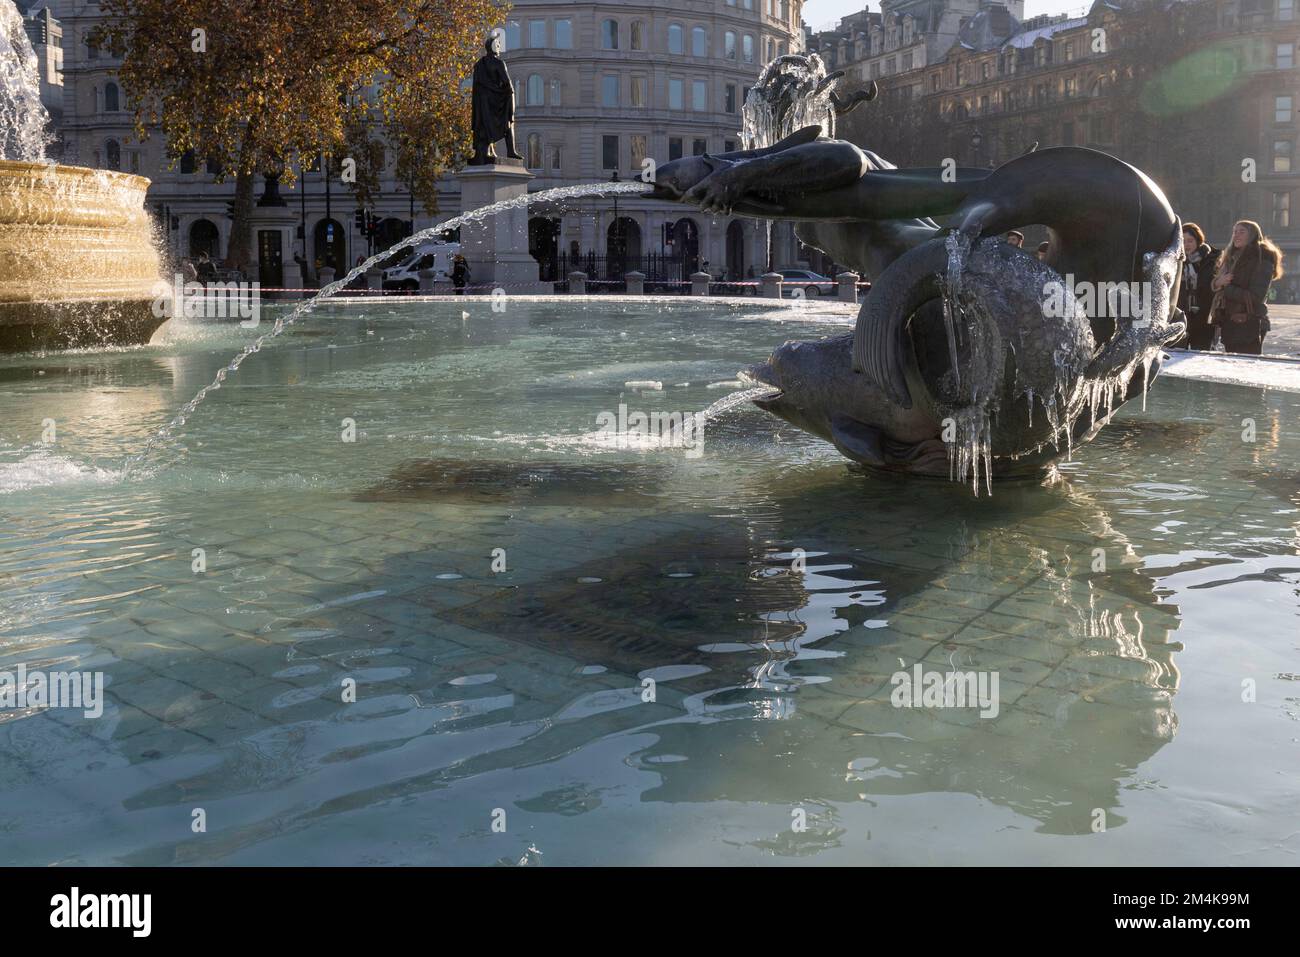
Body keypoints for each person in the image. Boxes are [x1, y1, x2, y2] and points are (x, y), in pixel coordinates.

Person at [1210, 219, 1282, 355]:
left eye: (1241, 232)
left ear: (1253, 235)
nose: (1236, 235)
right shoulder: (1231, 257)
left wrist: (1226, 289)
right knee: (1232, 367)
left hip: (1249, 322)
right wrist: (1218, 283)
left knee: (1246, 367)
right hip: (1230, 322)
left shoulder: (1262, 258)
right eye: (1234, 232)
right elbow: (1217, 282)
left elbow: (1256, 296)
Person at [1176, 222, 1219, 350]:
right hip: (1180, 317)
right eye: (1183, 241)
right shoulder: (1176, 262)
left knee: (1200, 357)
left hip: (1203, 318)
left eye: (1190, 241)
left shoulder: (1211, 260)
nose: (1186, 245)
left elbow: (1211, 289)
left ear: (1198, 241)